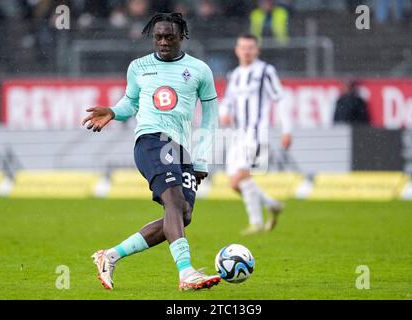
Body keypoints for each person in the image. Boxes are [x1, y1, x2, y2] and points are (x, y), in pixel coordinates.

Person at [82, 12, 221, 291]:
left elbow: (209, 118)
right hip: (151, 141)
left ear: (182, 36)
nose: (163, 42)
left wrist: (202, 157)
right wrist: (112, 111)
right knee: (173, 202)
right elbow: (129, 103)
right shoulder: (138, 67)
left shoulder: (200, 70)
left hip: (181, 149)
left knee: (183, 215)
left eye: (169, 36)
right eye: (158, 36)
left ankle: (110, 255)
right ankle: (186, 273)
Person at [219, 34, 292, 235]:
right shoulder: (234, 75)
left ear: (257, 50)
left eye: (251, 47)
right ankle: (271, 204)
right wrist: (224, 113)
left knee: (241, 177)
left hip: (257, 132)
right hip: (237, 134)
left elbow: (281, 99)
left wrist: (287, 130)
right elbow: (227, 100)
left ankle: (257, 223)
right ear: (237, 50)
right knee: (234, 184)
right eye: (243, 47)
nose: (247, 51)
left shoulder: (266, 71)